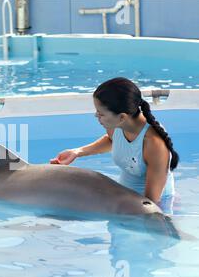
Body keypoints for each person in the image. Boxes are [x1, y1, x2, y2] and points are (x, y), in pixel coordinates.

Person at [50, 77, 179, 211]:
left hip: (155, 205)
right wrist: (77, 152)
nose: (96, 116)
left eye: (101, 114)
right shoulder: (116, 124)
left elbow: (151, 202)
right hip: (126, 197)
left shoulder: (154, 144)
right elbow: (112, 140)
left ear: (122, 117)